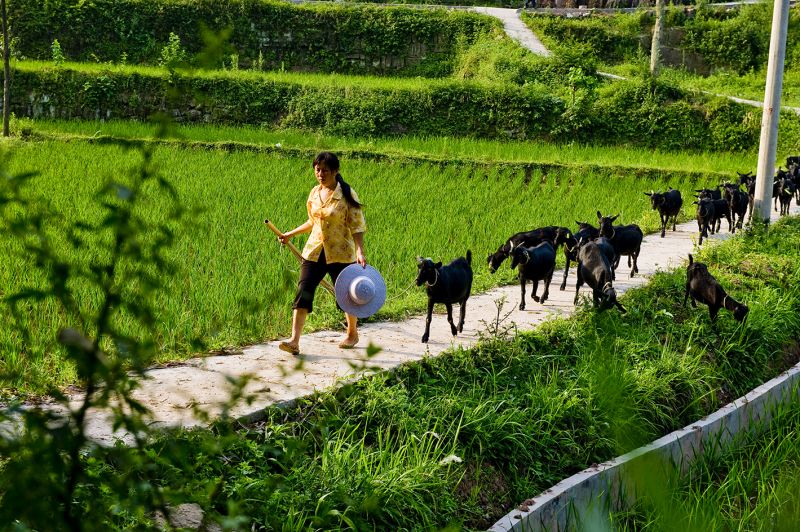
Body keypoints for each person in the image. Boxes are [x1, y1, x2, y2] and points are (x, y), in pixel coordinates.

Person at [277, 152, 367, 355]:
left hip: (341, 253)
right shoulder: (314, 193)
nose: (320, 173)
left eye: (325, 170)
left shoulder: (346, 194)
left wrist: (360, 251)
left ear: (335, 171)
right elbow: (312, 222)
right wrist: (289, 234)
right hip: (315, 251)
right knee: (304, 291)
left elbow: (357, 225)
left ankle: (352, 333)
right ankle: (294, 341)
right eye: (317, 169)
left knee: (346, 295)